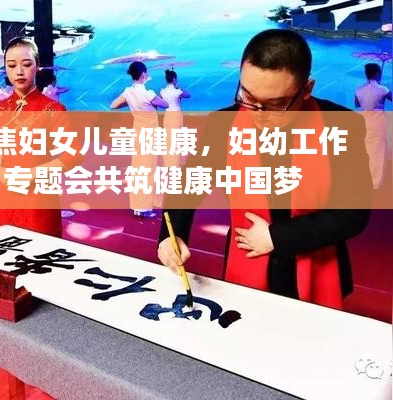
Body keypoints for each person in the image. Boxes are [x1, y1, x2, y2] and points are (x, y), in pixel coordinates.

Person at [158, 29, 372, 309]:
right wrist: (171, 236)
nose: (257, 113)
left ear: (306, 89)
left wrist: (276, 237)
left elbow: (353, 214)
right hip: (246, 258)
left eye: (275, 105)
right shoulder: (223, 125)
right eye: (247, 96)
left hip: (317, 262)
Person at [0, 37, 79, 237]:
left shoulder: (53, 109)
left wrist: (33, 173)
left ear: (37, 66)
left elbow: (73, 154)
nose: (19, 71)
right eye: (11, 65)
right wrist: (0, 172)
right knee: (7, 248)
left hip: (39, 198)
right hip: (6, 197)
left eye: (26, 64)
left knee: (42, 250)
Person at [110, 61, 168, 218]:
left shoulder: (128, 92)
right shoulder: (148, 94)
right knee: (148, 171)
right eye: (146, 72)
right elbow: (165, 104)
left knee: (138, 170)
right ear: (143, 74)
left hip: (138, 135)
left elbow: (113, 105)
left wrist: (130, 103)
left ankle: (137, 207)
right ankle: (143, 209)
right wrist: (159, 96)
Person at [354, 63, 392, 189]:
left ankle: (362, 179)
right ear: (376, 74)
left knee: (365, 150)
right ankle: (375, 183)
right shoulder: (383, 89)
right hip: (378, 122)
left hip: (364, 121)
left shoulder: (359, 90)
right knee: (378, 152)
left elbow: (357, 104)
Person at [160, 68, 190, 167]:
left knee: (169, 139)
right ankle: (177, 162)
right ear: (174, 79)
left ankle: (168, 162)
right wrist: (178, 88)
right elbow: (188, 95)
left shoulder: (162, 91)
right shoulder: (177, 91)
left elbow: (160, 101)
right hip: (176, 115)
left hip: (167, 115)